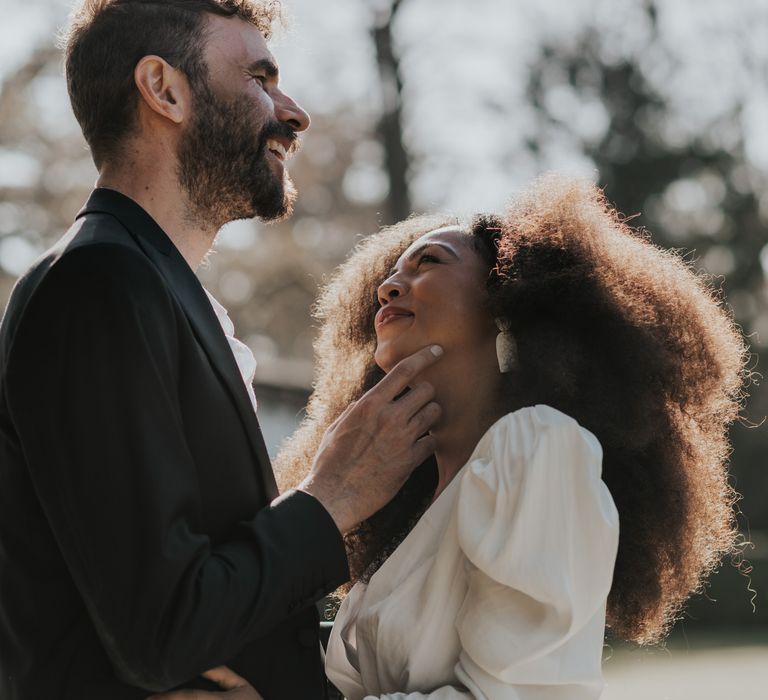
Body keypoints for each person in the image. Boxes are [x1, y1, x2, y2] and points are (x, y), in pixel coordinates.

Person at [0, 1, 444, 698]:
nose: (292, 113)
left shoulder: (158, 292)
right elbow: (166, 630)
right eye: (261, 79)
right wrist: (330, 499)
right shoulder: (97, 285)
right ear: (165, 90)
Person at [271, 175, 744, 698]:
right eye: (389, 273)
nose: (387, 286)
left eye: (428, 262)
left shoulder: (537, 447)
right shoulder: (405, 509)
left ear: (507, 301)